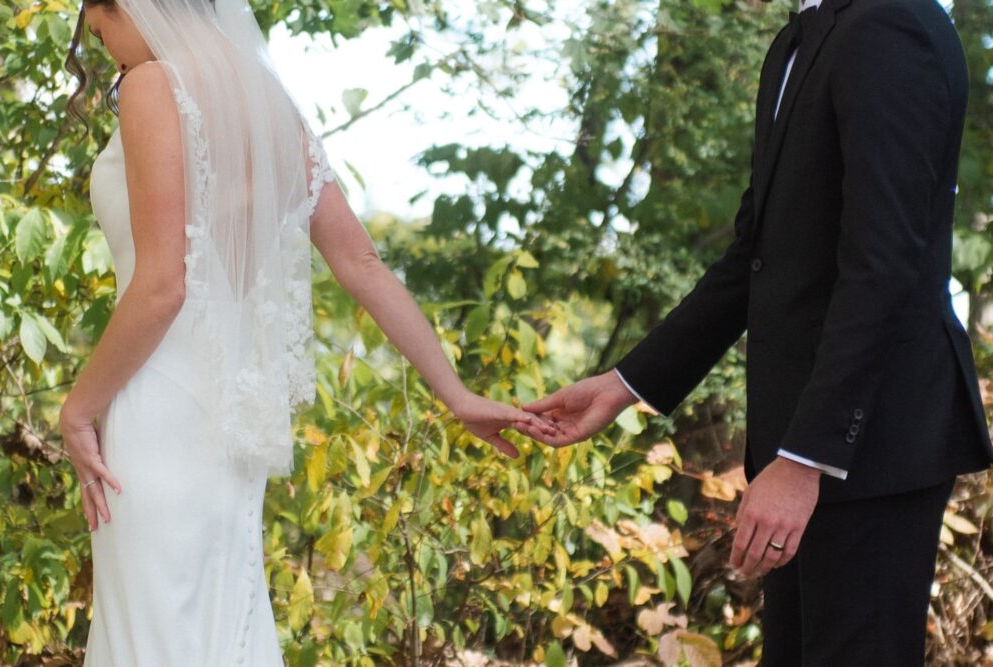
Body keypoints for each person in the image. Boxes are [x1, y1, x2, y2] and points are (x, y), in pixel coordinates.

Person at [61, 0, 551, 663]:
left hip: (157, 413)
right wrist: (455, 393)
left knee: (152, 635)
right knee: (218, 629)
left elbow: (162, 285)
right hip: (228, 427)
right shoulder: (270, 107)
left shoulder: (153, 84)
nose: (110, 54)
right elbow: (361, 262)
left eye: (101, 29)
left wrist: (78, 409)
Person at [515, 0, 993, 664]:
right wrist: (625, 384)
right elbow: (756, 256)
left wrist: (803, 461)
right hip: (816, 444)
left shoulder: (890, 25)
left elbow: (885, 267)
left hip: (873, 448)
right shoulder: (802, 39)